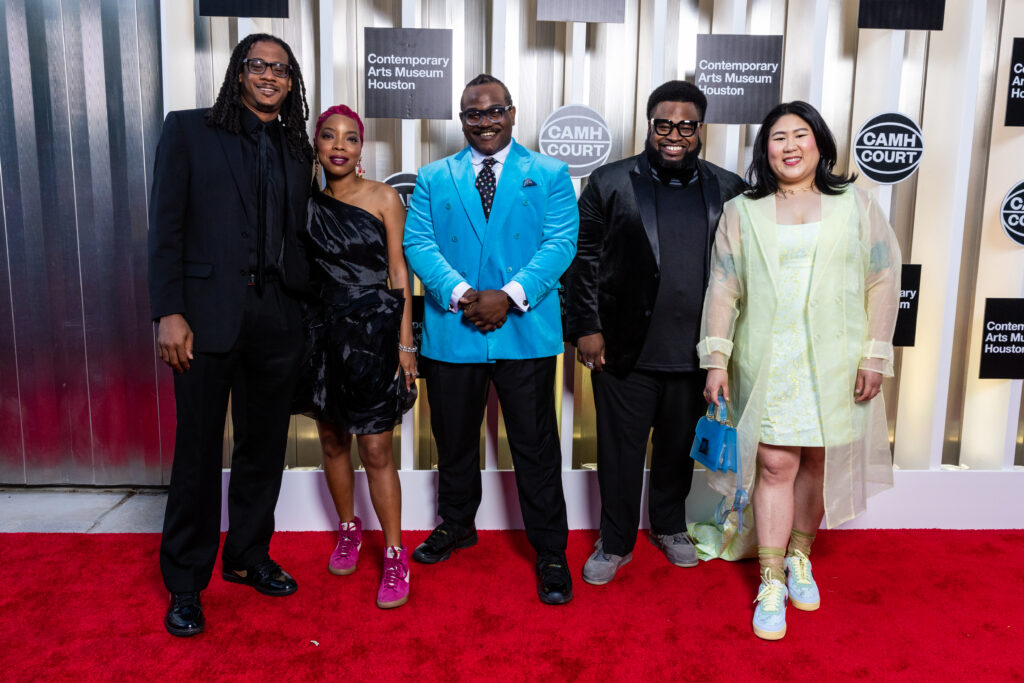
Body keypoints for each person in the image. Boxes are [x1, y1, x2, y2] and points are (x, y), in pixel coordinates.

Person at [699, 101, 900, 640]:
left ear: (820, 145)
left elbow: (883, 279)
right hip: (767, 358)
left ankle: (799, 558)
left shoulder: (856, 205)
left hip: (835, 358)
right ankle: (769, 580)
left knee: (816, 462)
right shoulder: (743, 211)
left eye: (800, 135)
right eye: (777, 138)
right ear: (765, 150)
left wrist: (875, 354)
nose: (789, 146)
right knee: (774, 465)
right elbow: (724, 287)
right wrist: (716, 358)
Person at [148, 33, 313, 637]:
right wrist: (168, 311)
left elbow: (302, 236)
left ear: (291, 81)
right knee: (195, 454)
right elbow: (164, 227)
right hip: (203, 319)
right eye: (259, 65)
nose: (270, 76)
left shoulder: (298, 149)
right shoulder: (189, 130)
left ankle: (247, 555)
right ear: (239, 73)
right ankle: (186, 584)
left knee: (263, 448)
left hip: (278, 319)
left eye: (281, 69)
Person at [403, 74, 578, 605]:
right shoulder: (435, 177)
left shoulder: (548, 172)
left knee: (536, 445)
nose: (484, 121)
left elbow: (561, 241)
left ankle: (549, 550)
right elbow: (419, 242)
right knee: (454, 441)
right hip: (454, 332)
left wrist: (509, 294)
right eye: (473, 114)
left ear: (512, 111)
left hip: (524, 330)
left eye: (493, 111)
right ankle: (457, 524)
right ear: (462, 119)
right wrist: (460, 294)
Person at [562, 81, 746, 585]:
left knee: (675, 447)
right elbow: (583, 259)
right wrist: (586, 329)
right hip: (625, 349)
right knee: (619, 451)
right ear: (650, 125)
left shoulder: (728, 188)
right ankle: (616, 539)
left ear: (700, 129)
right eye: (664, 124)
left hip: (696, 353)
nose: (674, 135)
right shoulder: (611, 181)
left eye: (686, 126)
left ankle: (669, 525)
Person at [302, 104, 417, 609]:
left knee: (376, 451)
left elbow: (399, 274)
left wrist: (406, 344)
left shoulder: (384, 197)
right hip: (323, 335)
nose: (340, 146)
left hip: (374, 336)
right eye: (330, 137)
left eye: (350, 138)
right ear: (317, 146)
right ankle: (348, 530)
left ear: (361, 148)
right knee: (331, 441)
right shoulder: (305, 205)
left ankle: (395, 553)